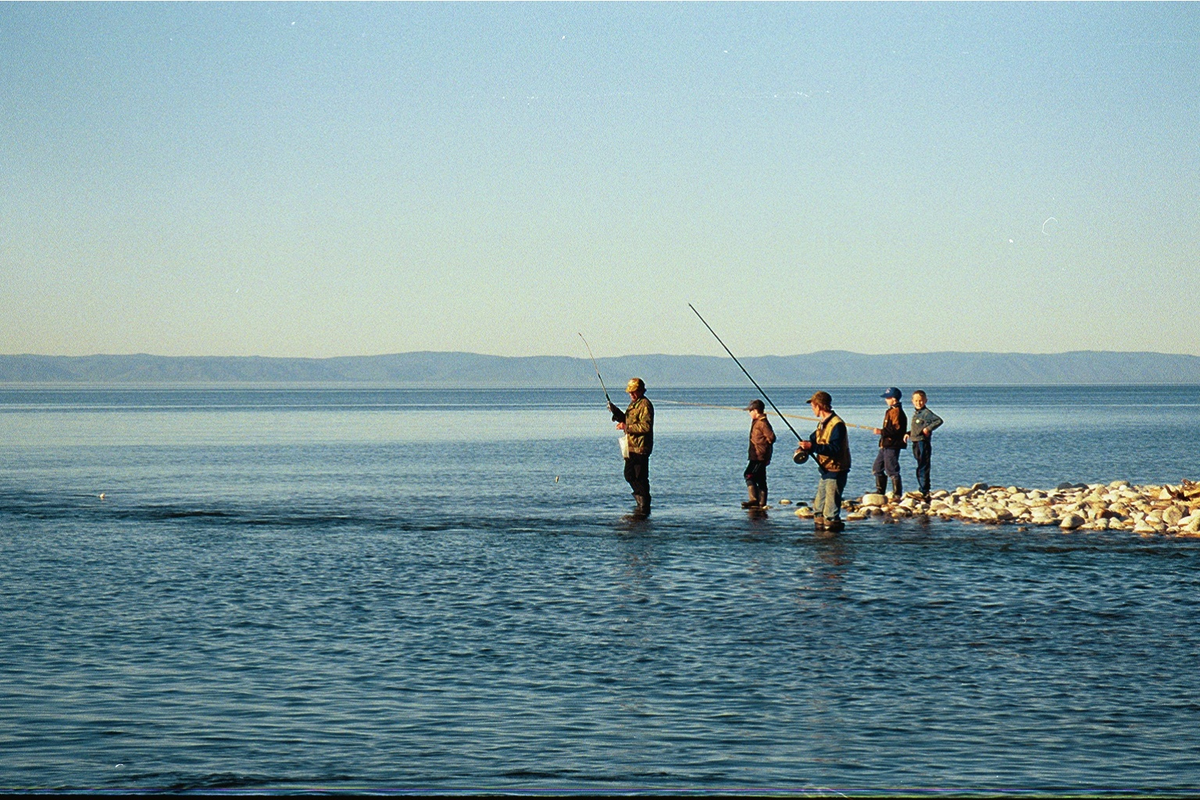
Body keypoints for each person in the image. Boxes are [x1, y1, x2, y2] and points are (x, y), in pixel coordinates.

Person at [794, 391, 851, 531]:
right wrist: (803, 449)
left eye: (813, 406)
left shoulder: (837, 425)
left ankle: (833, 543)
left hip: (836, 470)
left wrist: (812, 447)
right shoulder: (823, 424)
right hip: (826, 470)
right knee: (819, 509)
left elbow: (835, 449)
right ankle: (820, 539)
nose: (812, 409)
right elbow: (814, 439)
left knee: (830, 512)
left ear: (819, 406)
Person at [608, 377, 654, 514]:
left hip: (641, 448)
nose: (632, 395)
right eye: (630, 392)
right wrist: (616, 412)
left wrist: (626, 427)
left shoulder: (645, 405)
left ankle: (644, 505)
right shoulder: (633, 405)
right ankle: (641, 503)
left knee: (639, 477)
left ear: (641, 391)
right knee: (629, 475)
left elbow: (646, 427)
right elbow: (627, 419)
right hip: (631, 447)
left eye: (634, 392)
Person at [904, 390, 944, 499]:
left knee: (923, 465)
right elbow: (916, 428)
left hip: (923, 442)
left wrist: (928, 428)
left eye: (921, 401)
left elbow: (939, 421)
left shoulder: (926, 413)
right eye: (916, 401)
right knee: (919, 465)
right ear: (912, 401)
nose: (918, 403)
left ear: (925, 400)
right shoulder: (916, 413)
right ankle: (921, 488)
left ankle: (924, 490)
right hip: (915, 441)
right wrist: (908, 434)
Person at [871, 387, 908, 500]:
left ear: (894, 399)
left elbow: (897, 430)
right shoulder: (890, 411)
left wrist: (881, 432)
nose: (886, 400)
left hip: (892, 445)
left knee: (891, 469)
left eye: (887, 398)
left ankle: (897, 493)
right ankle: (880, 491)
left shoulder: (897, 412)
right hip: (885, 444)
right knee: (877, 468)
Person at [742, 399, 776, 509]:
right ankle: (762, 504)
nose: (749, 413)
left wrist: (764, 450)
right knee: (761, 479)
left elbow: (771, 437)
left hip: (759, 456)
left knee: (749, 474)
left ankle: (754, 500)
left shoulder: (762, 423)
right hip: (756, 455)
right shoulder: (757, 421)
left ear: (756, 410)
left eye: (750, 411)